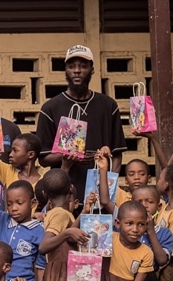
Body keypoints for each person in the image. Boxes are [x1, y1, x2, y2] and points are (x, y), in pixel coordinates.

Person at [36, 45, 127, 202]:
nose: (77, 71)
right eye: (71, 67)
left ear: (92, 70)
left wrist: (109, 187)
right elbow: (43, 158)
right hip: (64, 195)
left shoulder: (108, 105)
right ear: (66, 70)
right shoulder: (51, 108)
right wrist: (66, 156)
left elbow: (117, 154)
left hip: (101, 192)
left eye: (83, 66)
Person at [0, 180, 44, 281]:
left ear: (32, 203)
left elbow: (40, 267)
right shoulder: (2, 219)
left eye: (19, 203)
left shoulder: (39, 230)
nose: (13, 208)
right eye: (9, 204)